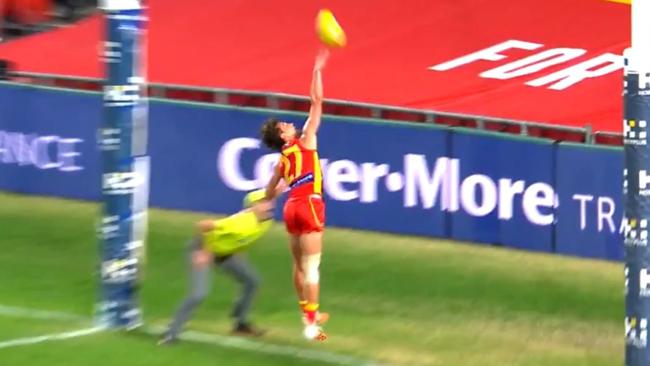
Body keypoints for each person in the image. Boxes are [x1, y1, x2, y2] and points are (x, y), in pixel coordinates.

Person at [259, 48, 330, 341]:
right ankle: (312, 326)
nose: (288, 123)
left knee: (298, 265)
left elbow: (270, 189)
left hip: (291, 209)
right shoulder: (307, 140)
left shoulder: (282, 160)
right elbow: (317, 101)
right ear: (284, 136)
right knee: (313, 268)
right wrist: (317, 70)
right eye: (283, 126)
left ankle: (306, 312)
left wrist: (267, 202)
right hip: (311, 205)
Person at [159, 189, 277, 345]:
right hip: (201, 250)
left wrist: (239, 251)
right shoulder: (240, 222)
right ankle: (171, 333)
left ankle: (240, 324)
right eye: (262, 202)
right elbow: (204, 226)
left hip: (227, 253)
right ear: (252, 207)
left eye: (269, 201)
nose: (268, 205)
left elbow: (245, 237)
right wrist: (204, 252)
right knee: (198, 294)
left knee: (252, 281)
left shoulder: (266, 221)